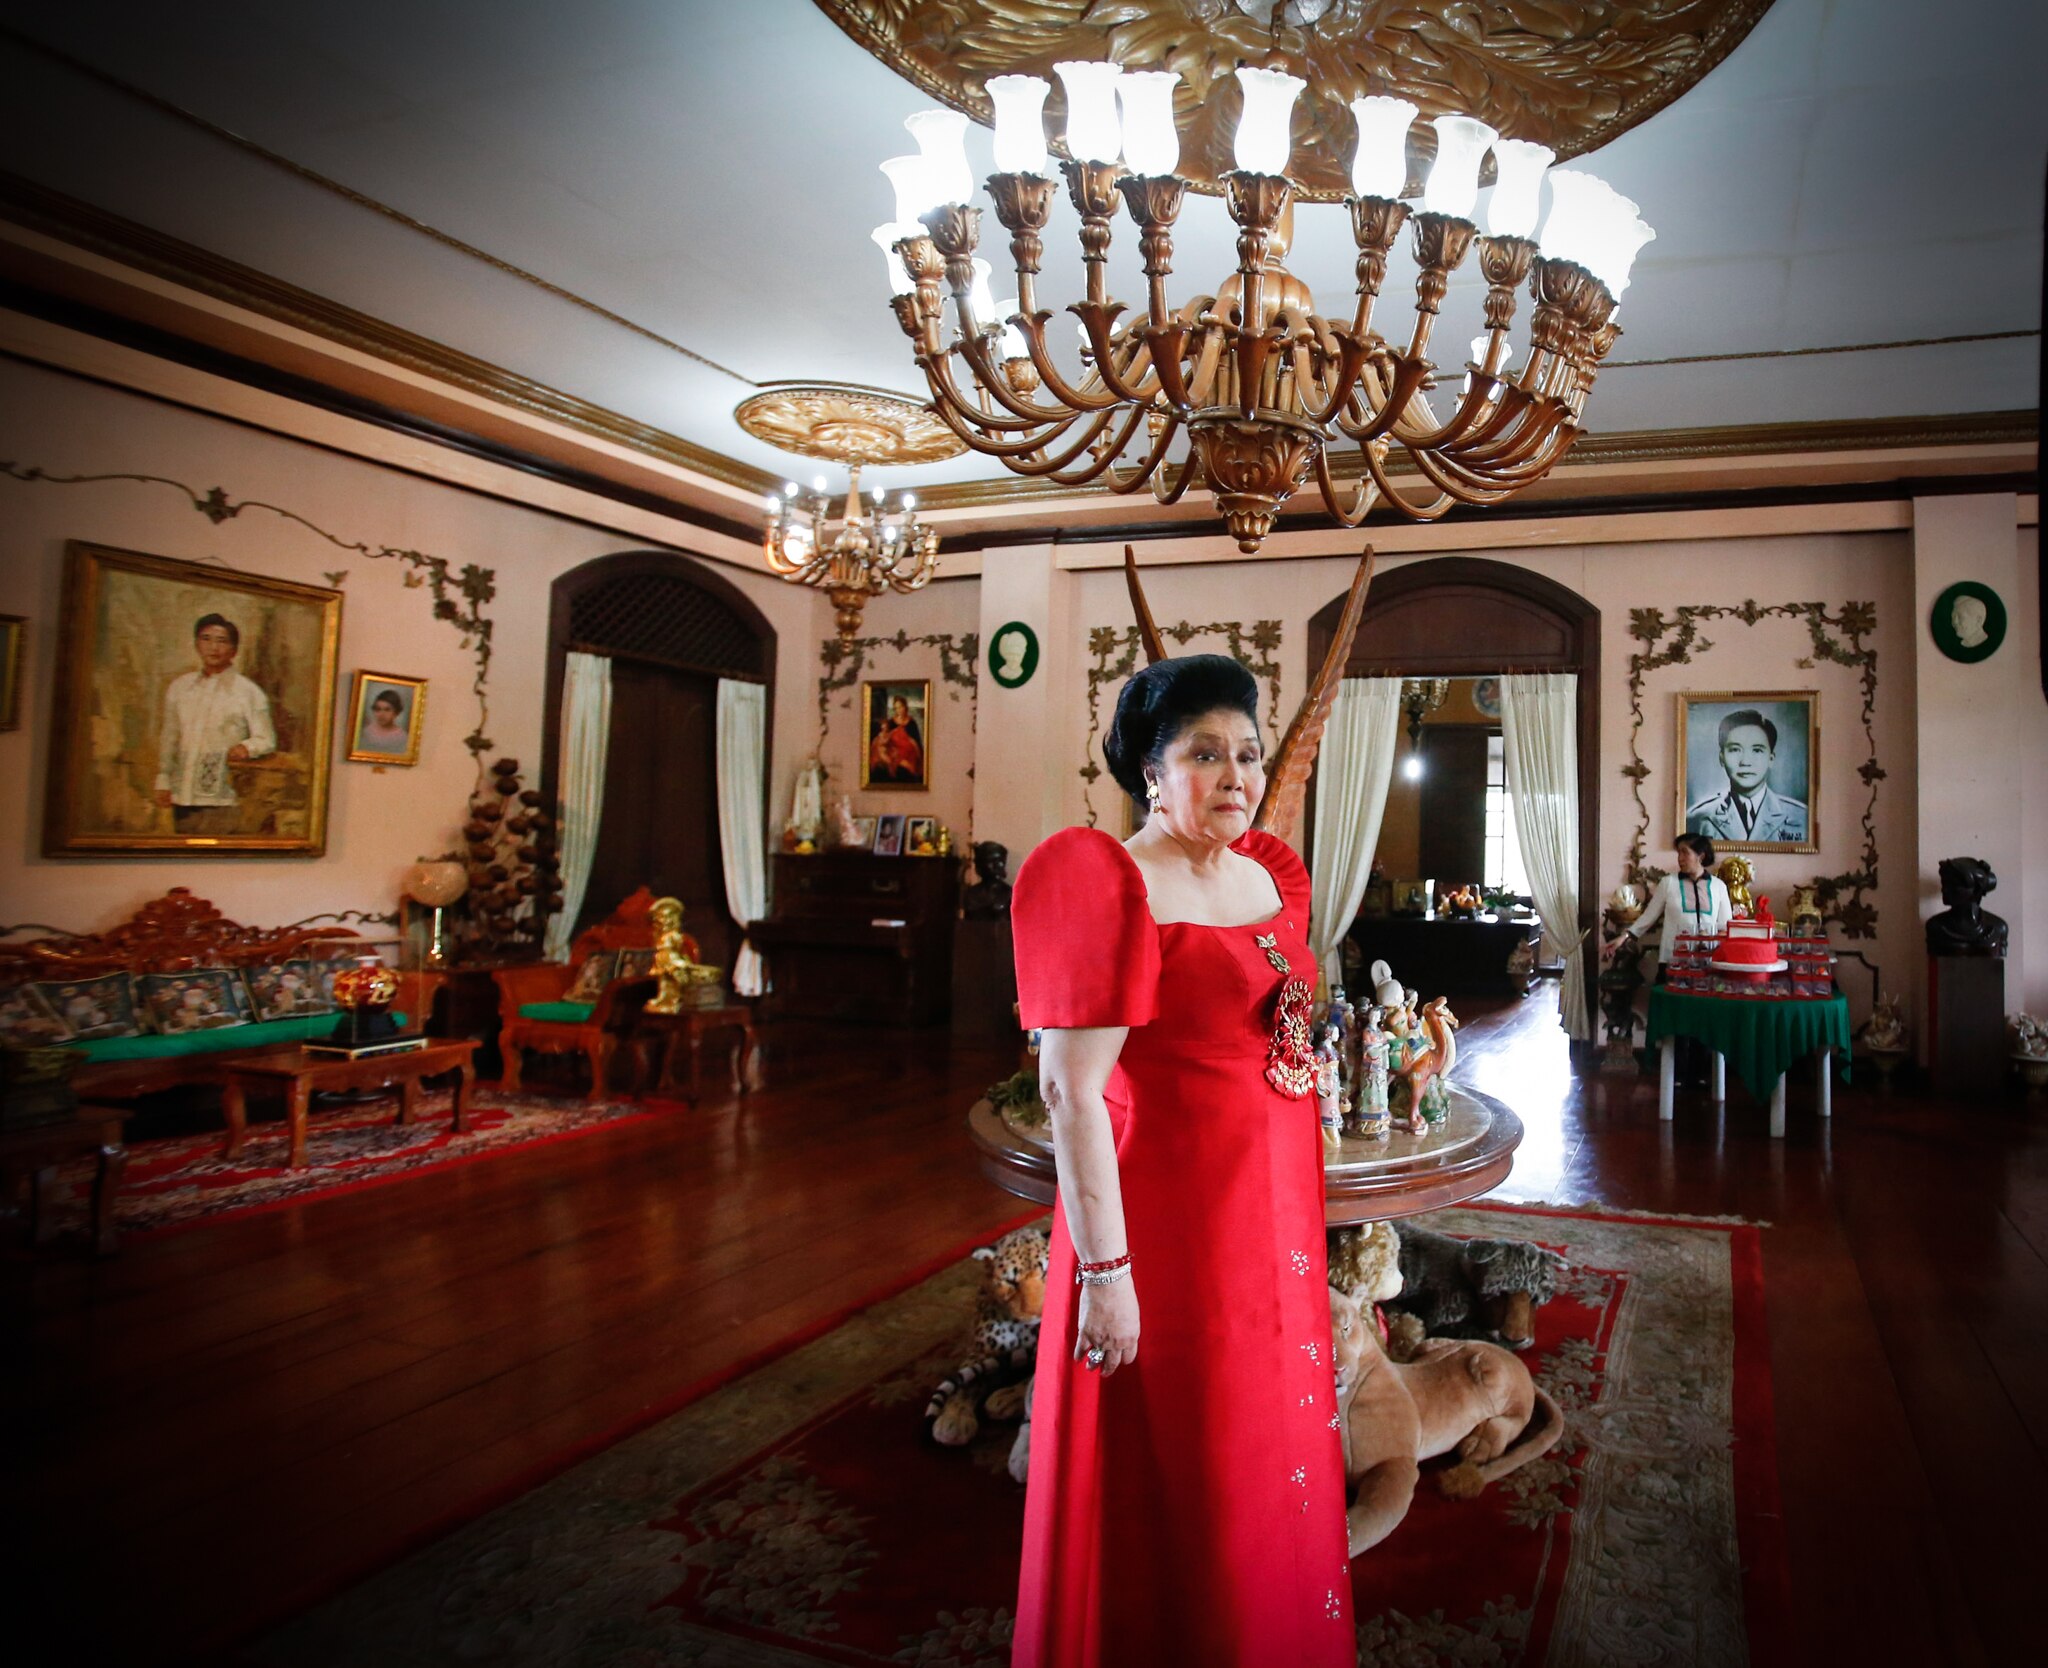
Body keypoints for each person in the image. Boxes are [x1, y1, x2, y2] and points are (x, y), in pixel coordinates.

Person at [1010, 654, 1352, 1666]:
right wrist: (1107, 1278)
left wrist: (1307, 1074)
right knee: (1193, 1452)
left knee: (1264, 1445)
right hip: (1160, 1221)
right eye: (1203, 754)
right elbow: (1068, 1091)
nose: (1235, 774)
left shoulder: (1262, 875)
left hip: (1268, 1207)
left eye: (1244, 753)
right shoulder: (1109, 883)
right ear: (1148, 772)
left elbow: (1268, 1023)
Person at [154, 612, 276, 837]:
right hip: (182, 793)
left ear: (233, 650)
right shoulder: (180, 687)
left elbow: (266, 739)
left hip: (223, 796)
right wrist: (163, 779)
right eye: (206, 639)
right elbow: (169, 736)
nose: (213, 647)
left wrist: (246, 747)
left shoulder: (248, 692)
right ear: (196, 644)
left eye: (221, 641)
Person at [1603, 832, 1732, 970]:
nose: (1680, 858)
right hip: (1673, 959)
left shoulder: (1718, 886)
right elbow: (1648, 916)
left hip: (1708, 960)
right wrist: (1624, 937)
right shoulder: (1668, 883)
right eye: (1678, 853)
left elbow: (1726, 926)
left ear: (1701, 856)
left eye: (1685, 853)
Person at [1686, 708, 1807, 843]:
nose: (1745, 762)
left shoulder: (1801, 816)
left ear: (1771, 759)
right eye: (1735, 750)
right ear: (1721, 758)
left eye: (1757, 750)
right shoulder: (1696, 818)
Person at [867, 694, 924, 782]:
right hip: (894, 749)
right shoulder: (891, 722)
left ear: (905, 707)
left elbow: (916, 741)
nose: (899, 710)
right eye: (896, 708)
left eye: (900, 707)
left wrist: (910, 742)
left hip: (909, 751)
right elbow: (886, 735)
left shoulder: (912, 723)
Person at [358, 688, 409, 753]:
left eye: (387, 710)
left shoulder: (403, 737)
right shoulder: (366, 732)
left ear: (396, 712)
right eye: (378, 709)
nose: (381, 714)